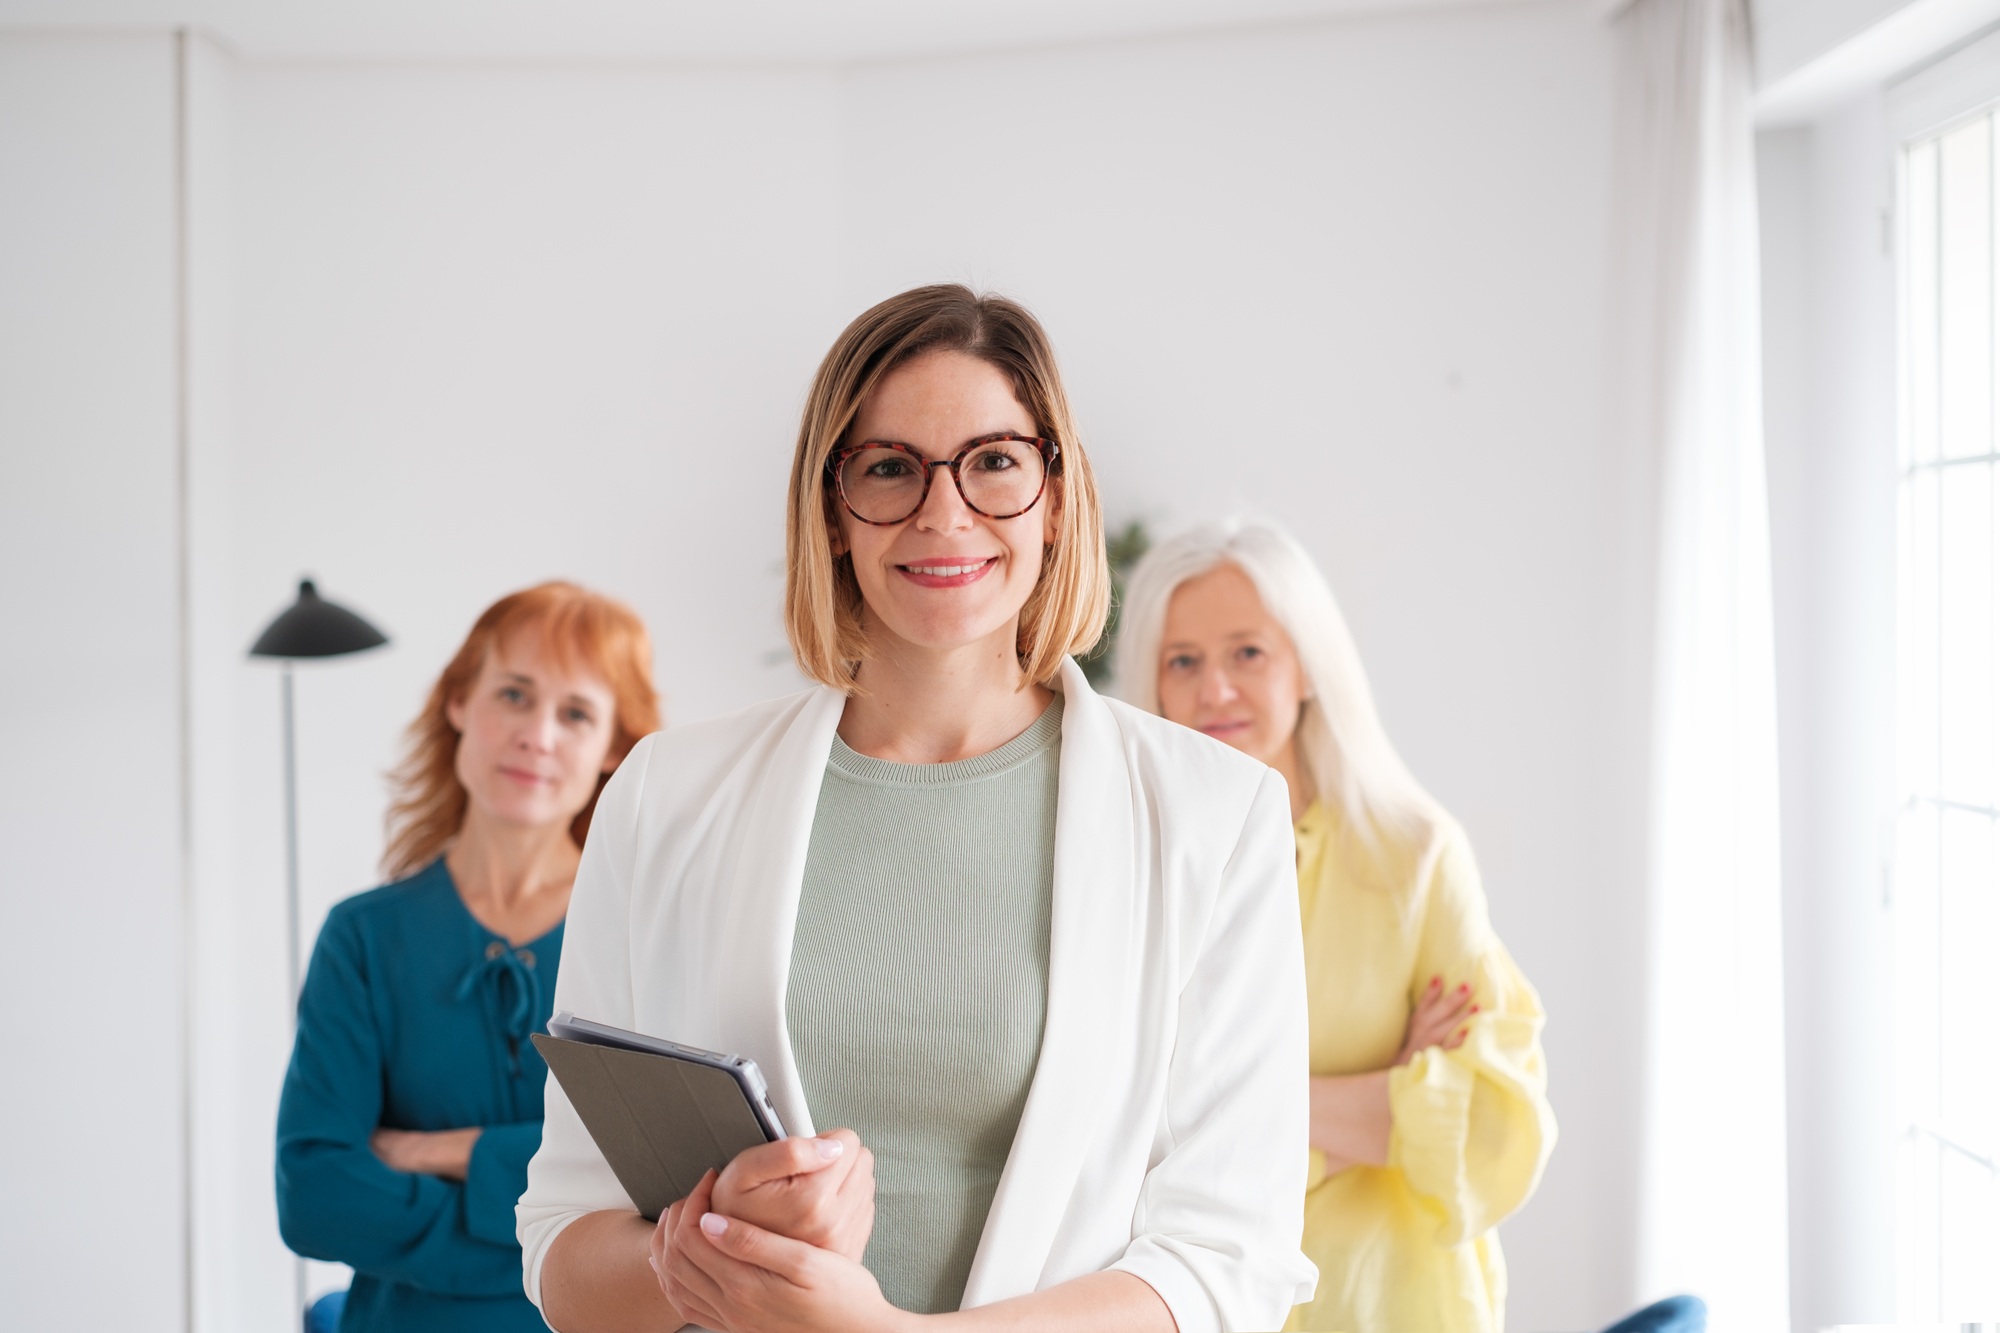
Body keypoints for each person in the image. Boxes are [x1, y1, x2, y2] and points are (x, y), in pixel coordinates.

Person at [518, 285, 1317, 1333]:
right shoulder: (667, 797)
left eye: (992, 461)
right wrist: (710, 1236)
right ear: (830, 510)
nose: (944, 514)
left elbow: (1226, 1264)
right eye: (889, 467)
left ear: (1056, 498)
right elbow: (563, 1248)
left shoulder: (1214, 815)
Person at [1113, 517, 1556, 1333]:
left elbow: (1494, 1127)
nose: (1215, 688)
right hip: (1197, 1305)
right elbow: (1118, 1129)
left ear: (1307, 666)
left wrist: (1235, 1110)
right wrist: (1382, 1096)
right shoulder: (1133, 868)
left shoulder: (1415, 856)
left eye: (1248, 652)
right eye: (1184, 661)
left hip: (1394, 1303)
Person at [277, 582, 661, 1333]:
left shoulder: (645, 934)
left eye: (575, 712)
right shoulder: (361, 937)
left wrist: (442, 1150)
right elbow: (315, 1196)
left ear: (615, 745)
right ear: (460, 702)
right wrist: (566, 1233)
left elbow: (661, 1182)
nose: (537, 734)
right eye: (514, 694)